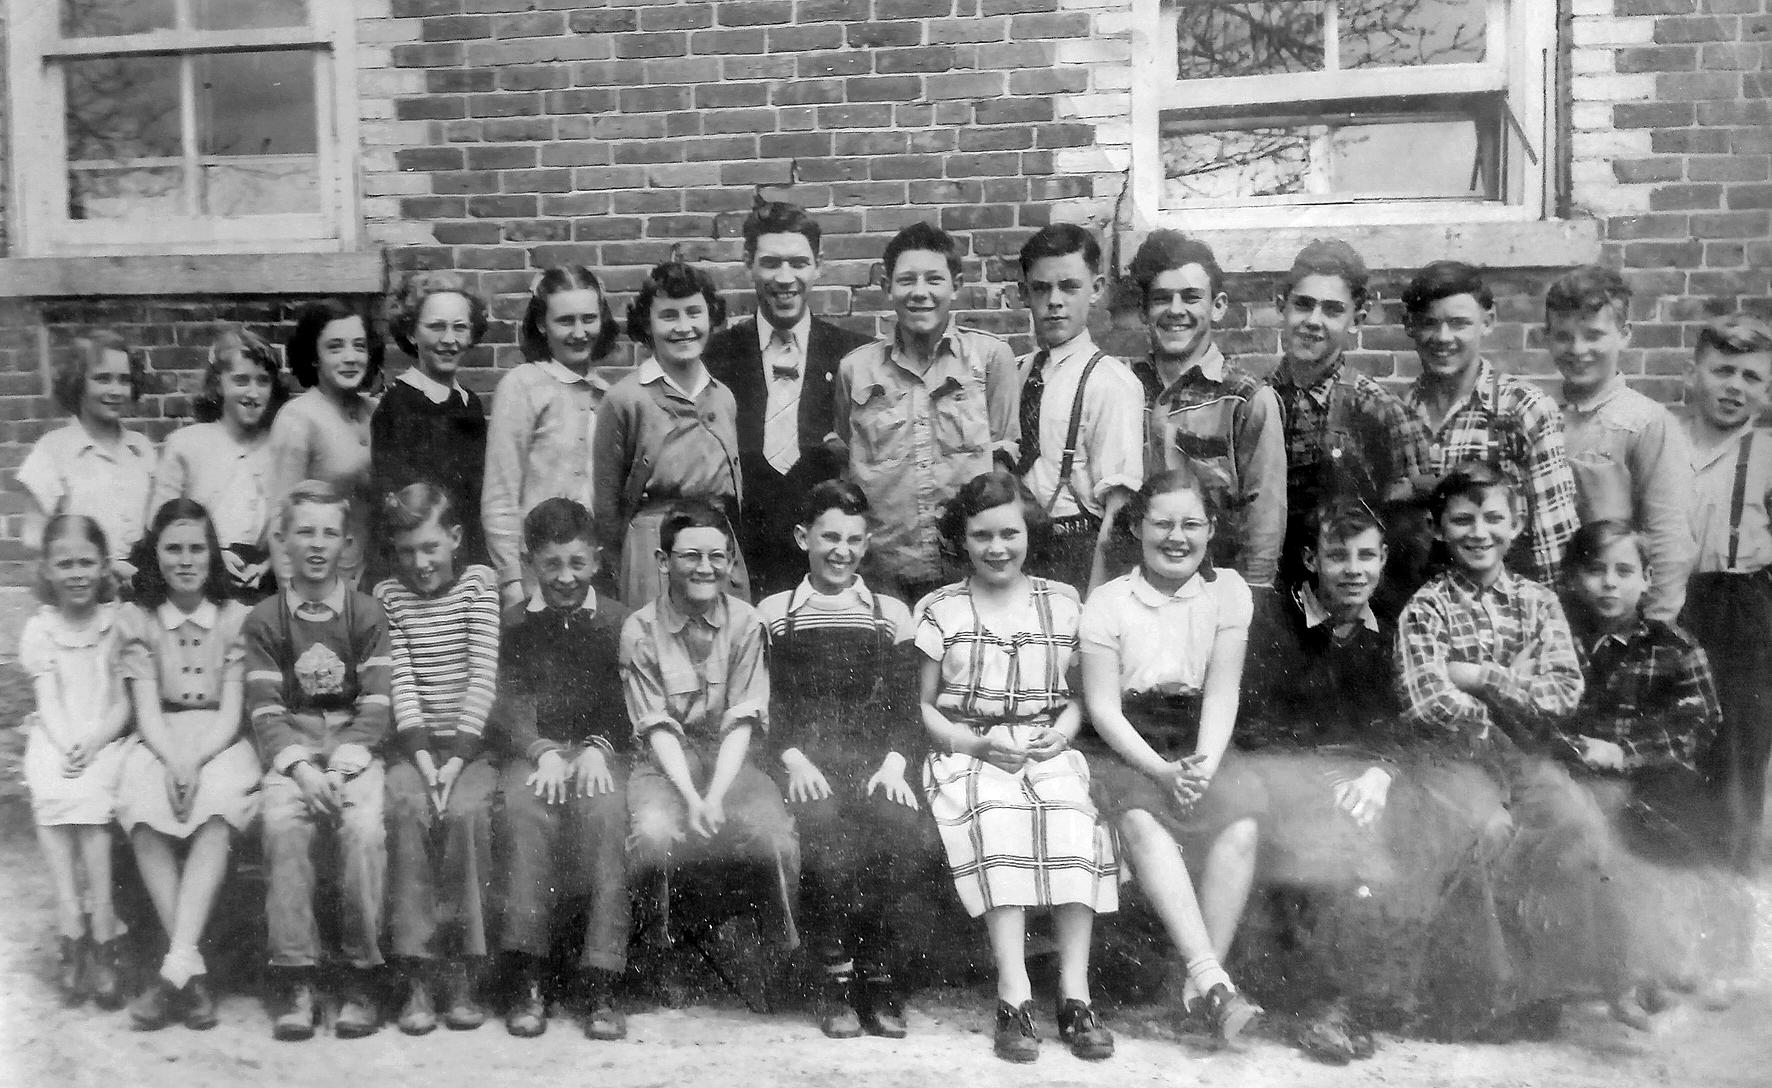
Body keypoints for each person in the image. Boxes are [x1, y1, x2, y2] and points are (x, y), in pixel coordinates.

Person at [1238, 497, 1507, 1059]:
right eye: (1338, 556)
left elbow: (1415, 713)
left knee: (1445, 824)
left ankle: (1431, 994)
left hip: (1378, 766)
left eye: (1366, 556)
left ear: (1384, 559)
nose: (1354, 570)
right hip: (1291, 766)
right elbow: (1258, 721)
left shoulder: (1397, 618)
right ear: (1311, 560)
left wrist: (1381, 771)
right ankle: (1331, 1003)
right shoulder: (1275, 619)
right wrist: (1324, 773)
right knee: (1343, 835)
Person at [1396, 463, 1611, 1039]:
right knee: (1487, 830)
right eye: (1462, 520)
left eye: (1494, 518)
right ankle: (1474, 997)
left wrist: (1482, 677)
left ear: (1516, 526)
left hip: (1525, 758)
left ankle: (1545, 988)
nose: (1479, 532)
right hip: (1453, 758)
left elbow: (1564, 690)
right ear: (1439, 529)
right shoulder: (1426, 607)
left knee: (1574, 820)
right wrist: (1512, 690)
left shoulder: (1538, 602)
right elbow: (1427, 700)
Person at [918, 471, 1117, 1064]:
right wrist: (973, 746)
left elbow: (1082, 695)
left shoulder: (1062, 602)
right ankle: (1014, 996)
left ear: (1029, 532)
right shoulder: (940, 609)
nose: (997, 548)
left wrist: (1062, 731)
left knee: (1077, 820)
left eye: (1009, 533)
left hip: (1046, 743)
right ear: (963, 539)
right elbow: (924, 708)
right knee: (1000, 818)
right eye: (982, 535)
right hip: (967, 748)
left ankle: (1075, 997)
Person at [1076, 468, 1262, 1047]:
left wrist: (1203, 765)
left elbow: (1223, 689)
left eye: (1191, 523)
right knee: (1140, 819)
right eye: (1162, 523)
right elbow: (1103, 710)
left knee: (1243, 823)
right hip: (1130, 738)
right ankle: (1214, 983)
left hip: (1201, 733)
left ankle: (1197, 990)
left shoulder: (1228, 591)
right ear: (1137, 528)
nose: (1176, 536)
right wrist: (1159, 772)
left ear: (1210, 529)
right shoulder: (1108, 603)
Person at [1557, 520, 1744, 1024]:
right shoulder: (1560, 640)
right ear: (1573, 578)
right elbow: (1543, 713)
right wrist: (1579, 751)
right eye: (1595, 571)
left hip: (1645, 777)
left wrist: (1624, 753)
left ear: (1647, 579)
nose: (1609, 583)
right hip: (1576, 774)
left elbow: (1699, 721)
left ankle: (1666, 959)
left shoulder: (1674, 646)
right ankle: (1609, 970)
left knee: (1668, 826)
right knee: (1583, 831)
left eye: (1623, 571)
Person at [756, 480, 923, 1039]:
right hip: (805, 761)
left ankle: (878, 980)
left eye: (854, 539)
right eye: (829, 537)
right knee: (824, 832)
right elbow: (770, 703)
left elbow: (905, 705)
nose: (841, 551)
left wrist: (896, 764)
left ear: (867, 542)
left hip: (875, 762)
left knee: (899, 825)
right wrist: (795, 759)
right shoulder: (777, 614)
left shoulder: (889, 613)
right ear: (804, 537)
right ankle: (833, 980)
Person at [244, 480, 392, 1040]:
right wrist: (303, 770)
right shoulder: (264, 620)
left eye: (329, 533)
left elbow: (377, 705)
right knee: (282, 825)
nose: (316, 544)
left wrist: (341, 768)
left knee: (361, 831)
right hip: (295, 754)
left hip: (355, 753)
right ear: (282, 540)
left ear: (346, 545)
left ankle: (360, 973)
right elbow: (265, 709)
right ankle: (296, 974)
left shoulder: (365, 613)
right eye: (304, 531)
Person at [621, 501, 800, 954]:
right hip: (663, 767)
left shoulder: (747, 622)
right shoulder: (639, 629)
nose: (706, 568)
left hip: (731, 763)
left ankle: (780, 957)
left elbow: (744, 720)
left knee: (771, 832)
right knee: (655, 833)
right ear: (663, 562)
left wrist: (715, 796)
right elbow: (657, 729)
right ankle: (656, 956)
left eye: (717, 557)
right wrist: (692, 798)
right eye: (690, 557)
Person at [491, 498, 634, 1041]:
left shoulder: (619, 622)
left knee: (606, 815)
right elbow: (507, 702)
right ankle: (528, 974)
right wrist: (540, 749)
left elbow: (626, 700)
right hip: (537, 755)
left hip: (601, 754)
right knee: (527, 814)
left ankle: (602, 976)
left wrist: (597, 745)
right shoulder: (515, 624)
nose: (566, 577)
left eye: (577, 563)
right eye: (552, 565)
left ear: (596, 559)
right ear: (530, 564)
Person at [116, 500, 262, 1030]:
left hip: (218, 741)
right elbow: (147, 710)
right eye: (173, 548)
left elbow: (229, 712)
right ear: (155, 555)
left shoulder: (234, 617)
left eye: (196, 548)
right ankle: (191, 971)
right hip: (159, 738)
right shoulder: (139, 620)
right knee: (142, 797)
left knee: (218, 802)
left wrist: (196, 759)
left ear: (212, 555)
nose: (185, 559)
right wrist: (174, 759)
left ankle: (174, 969)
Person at [371, 484, 500, 1035]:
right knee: (405, 808)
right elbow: (400, 684)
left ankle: (464, 972)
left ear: (454, 538)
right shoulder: (387, 597)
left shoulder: (479, 586)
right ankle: (417, 972)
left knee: (467, 814)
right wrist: (425, 761)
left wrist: (454, 763)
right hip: (414, 748)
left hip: (471, 749)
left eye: (430, 547)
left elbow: (481, 676)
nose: (420, 563)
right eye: (406, 552)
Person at [835, 222, 1019, 605]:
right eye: (906, 280)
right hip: (884, 575)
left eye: (934, 279)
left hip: (969, 570)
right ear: (888, 286)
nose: (920, 293)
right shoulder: (856, 370)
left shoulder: (989, 360)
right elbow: (847, 465)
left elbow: (1002, 467)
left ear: (956, 284)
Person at [705, 201, 874, 598]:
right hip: (740, 563)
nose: (785, 278)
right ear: (748, 263)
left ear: (818, 265)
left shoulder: (856, 357)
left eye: (798, 263)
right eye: (771, 263)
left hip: (831, 568)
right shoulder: (715, 358)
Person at [1398, 260, 1579, 591]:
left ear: (1488, 321)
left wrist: (1551, 627)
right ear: (1409, 325)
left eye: (1459, 323)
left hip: (1506, 615)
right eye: (1429, 324)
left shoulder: (1523, 409)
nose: (1443, 338)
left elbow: (1554, 538)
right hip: (1422, 614)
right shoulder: (1398, 413)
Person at [1124, 230, 1285, 590]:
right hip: (1133, 595)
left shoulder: (1247, 399)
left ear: (1218, 306)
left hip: (1214, 593)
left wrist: (1252, 607)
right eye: (1162, 298)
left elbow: (1264, 523)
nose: (1176, 310)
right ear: (1144, 310)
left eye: (1191, 297)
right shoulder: (1122, 388)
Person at [1269, 239, 1431, 591]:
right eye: (1303, 305)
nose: (1313, 321)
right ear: (1281, 305)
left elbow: (1412, 540)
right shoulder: (1255, 401)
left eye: (1331, 310)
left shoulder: (1380, 411)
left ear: (1355, 320)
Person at [18, 515, 130, 1010]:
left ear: (104, 566)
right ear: (47, 569)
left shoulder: (116, 623)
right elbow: (48, 699)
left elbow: (123, 702)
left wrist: (93, 742)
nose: (77, 573)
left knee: (91, 790)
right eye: (65, 564)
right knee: (46, 780)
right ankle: (71, 920)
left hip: (106, 732)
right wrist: (66, 746)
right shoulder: (41, 629)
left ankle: (103, 924)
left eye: (87, 562)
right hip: (59, 732)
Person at [594, 262, 749, 605]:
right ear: (647, 324)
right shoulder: (625, 399)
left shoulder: (723, 397)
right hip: (654, 554)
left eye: (694, 313)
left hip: (718, 546)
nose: (684, 327)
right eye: (669, 316)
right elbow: (606, 511)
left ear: (711, 318)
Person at [1546, 265, 1693, 622]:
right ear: (1546, 336)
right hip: (1552, 615)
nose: (1578, 349)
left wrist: (1655, 630)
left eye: (1594, 335)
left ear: (1624, 334)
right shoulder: (1540, 415)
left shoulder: (1644, 422)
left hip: (1622, 620)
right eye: (1563, 336)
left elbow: (1668, 541)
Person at [1679, 313, 1772, 873]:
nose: (1735, 387)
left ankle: (1731, 874)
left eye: (1752, 376)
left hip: (1742, 608)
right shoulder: (1664, 439)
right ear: (1694, 375)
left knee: (1738, 745)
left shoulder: (1767, 455)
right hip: (1672, 602)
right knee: (1673, 739)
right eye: (1723, 370)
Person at [1011, 224, 1143, 593]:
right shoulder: (1017, 372)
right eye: (1041, 288)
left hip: (1076, 553)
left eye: (1069, 287)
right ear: (1025, 293)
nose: (1054, 300)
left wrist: (1096, 601)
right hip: (1012, 552)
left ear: (1096, 289)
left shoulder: (1111, 383)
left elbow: (1118, 510)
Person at [482, 265, 620, 611]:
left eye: (589, 319)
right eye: (565, 321)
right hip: (536, 577)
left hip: (591, 576)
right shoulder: (523, 385)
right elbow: (500, 496)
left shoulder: (609, 396)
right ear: (542, 324)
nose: (579, 332)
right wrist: (512, 582)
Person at [149, 326, 289, 601]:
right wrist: (214, 555)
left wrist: (270, 564)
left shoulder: (282, 445)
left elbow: (293, 519)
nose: (253, 392)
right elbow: (160, 520)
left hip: (264, 581)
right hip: (201, 580)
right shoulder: (186, 443)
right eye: (240, 380)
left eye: (262, 381)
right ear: (218, 385)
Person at [375, 271, 492, 570]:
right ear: (412, 333)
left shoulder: (470, 403)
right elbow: (397, 501)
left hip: (466, 552)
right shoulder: (397, 404)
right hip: (420, 560)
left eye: (460, 327)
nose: (449, 340)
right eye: (436, 327)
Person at [17, 332, 156, 583]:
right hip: (78, 592)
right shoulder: (52, 451)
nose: (116, 390)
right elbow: (35, 545)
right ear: (78, 382)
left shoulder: (142, 448)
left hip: (140, 592)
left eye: (124, 380)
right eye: (102, 379)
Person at [269, 300, 383, 587]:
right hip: (323, 582)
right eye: (335, 347)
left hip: (379, 577)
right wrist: (293, 598)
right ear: (314, 356)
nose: (350, 357)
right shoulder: (298, 418)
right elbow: (280, 520)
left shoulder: (376, 411)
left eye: (359, 346)